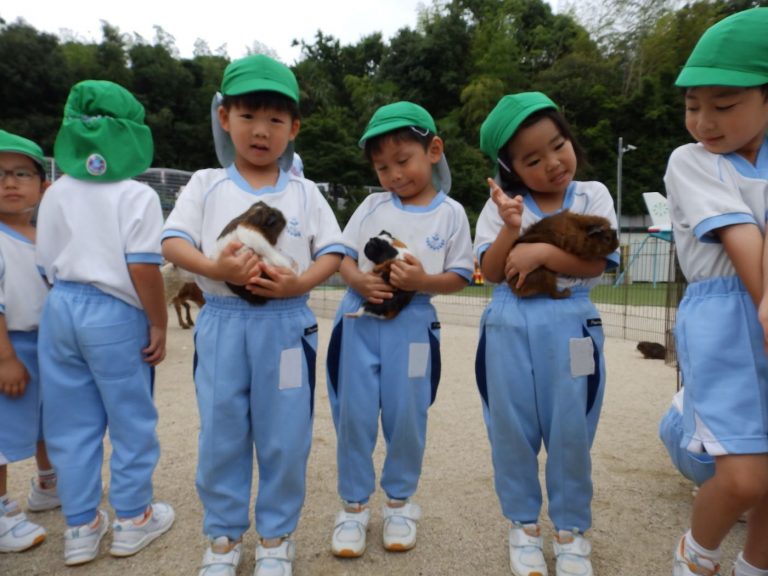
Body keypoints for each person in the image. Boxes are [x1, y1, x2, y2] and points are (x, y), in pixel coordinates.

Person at [162, 54, 344, 576]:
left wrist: (301, 281)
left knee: (285, 435)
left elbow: (333, 251)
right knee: (221, 431)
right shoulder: (204, 184)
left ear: (293, 128)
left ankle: (275, 538)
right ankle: (222, 537)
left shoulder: (306, 193)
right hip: (222, 321)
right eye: (248, 117)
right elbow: (173, 242)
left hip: (287, 326)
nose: (261, 131)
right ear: (225, 118)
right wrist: (214, 266)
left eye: (275, 120)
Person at [473, 91, 619, 576]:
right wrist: (511, 228)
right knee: (511, 429)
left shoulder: (592, 194)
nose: (554, 163)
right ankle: (523, 528)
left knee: (571, 428)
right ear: (511, 168)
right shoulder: (501, 205)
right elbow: (493, 273)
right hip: (509, 322)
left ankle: (571, 530)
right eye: (534, 159)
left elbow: (599, 261)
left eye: (559, 145)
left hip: (573, 322)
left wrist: (541, 255)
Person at [325, 101, 474, 558]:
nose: (393, 174)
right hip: (358, 319)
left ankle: (399, 502)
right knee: (353, 414)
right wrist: (358, 280)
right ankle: (352, 508)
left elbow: (462, 274)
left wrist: (422, 281)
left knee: (408, 415)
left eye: (402, 161)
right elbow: (342, 255)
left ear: (433, 150)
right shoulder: (371, 205)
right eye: (382, 166)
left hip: (413, 323)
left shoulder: (451, 213)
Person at [36, 80, 174, 567]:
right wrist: (158, 323)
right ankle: (133, 518)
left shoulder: (54, 193)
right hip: (115, 310)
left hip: (61, 306)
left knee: (70, 422)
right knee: (130, 417)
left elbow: (45, 262)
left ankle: (80, 525)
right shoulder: (136, 196)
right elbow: (143, 267)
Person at [664, 8, 768, 576]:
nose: (704, 120)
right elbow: (741, 235)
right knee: (745, 476)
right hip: (726, 315)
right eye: (692, 104)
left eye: (723, 104)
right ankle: (696, 556)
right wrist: (767, 301)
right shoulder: (693, 161)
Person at [0, 130, 61, 554]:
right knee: (2, 435)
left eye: (21, 173)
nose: (9, 183)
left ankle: (48, 484)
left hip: (46, 346)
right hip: (10, 347)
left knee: (47, 421)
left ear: (44, 187)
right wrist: (5, 359)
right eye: (0, 174)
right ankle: (1, 510)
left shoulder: (45, 237)